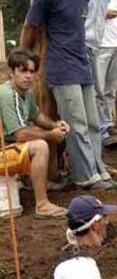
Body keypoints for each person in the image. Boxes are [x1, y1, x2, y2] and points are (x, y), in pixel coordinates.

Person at [20, 0, 117, 191]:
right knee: (75, 123)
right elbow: (30, 26)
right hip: (61, 68)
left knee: (92, 122)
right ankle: (85, 177)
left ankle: (99, 171)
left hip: (83, 63)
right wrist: (24, 59)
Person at [0, 49, 68, 219]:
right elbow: (20, 135)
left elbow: (36, 116)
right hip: (3, 153)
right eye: (23, 71)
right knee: (40, 146)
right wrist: (50, 134)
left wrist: (55, 125)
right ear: (11, 73)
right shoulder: (8, 94)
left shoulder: (25, 93)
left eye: (31, 71)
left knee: (41, 134)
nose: (28, 76)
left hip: (6, 149)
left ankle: (36, 181)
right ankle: (42, 204)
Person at [80, 0, 117, 149]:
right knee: (94, 91)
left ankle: (100, 130)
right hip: (81, 46)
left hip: (95, 45)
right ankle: (101, 132)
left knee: (98, 90)